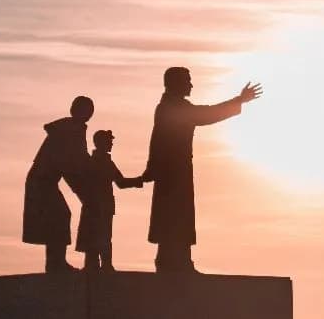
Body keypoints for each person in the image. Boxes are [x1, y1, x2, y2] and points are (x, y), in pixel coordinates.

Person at [139, 67, 262, 274]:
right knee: (176, 215)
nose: (191, 85)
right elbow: (206, 114)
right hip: (173, 173)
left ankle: (178, 261)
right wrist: (239, 100)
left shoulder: (171, 107)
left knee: (178, 215)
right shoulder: (173, 108)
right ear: (176, 83)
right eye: (187, 80)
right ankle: (174, 262)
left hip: (175, 171)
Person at [23, 96, 94, 273]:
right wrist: (82, 192)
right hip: (41, 181)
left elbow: (79, 160)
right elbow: (69, 164)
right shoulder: (69, 130)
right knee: (60, 214)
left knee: (58, 215)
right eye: (86, 110)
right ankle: (56, 263)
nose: (88, 114)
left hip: (46, 181)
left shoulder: (73, 129)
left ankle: (55, 263)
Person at [75, 130, 144, 272]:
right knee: (102, 236)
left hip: (96, 205)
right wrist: (139, 181)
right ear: (102, 143)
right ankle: (103, 266)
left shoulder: (93, 162)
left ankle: (96, 265)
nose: (111, 144)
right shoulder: (104, 162)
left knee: (95, 236)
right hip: (100, 206)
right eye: (109, 141)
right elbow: (121, 183)